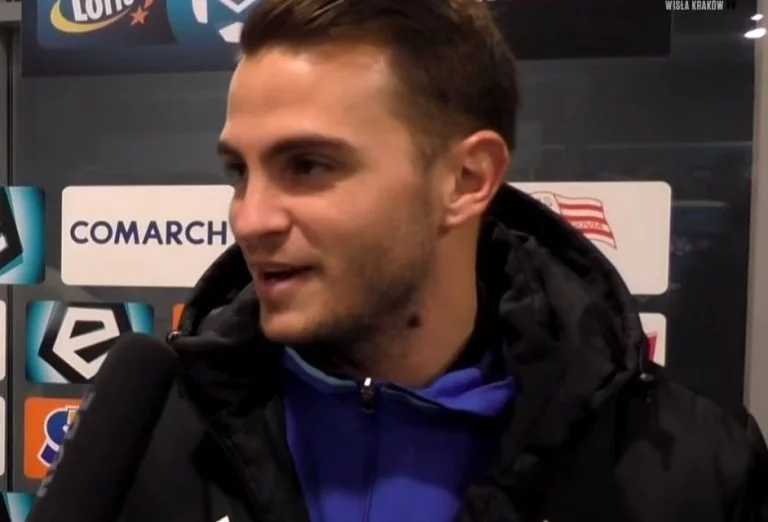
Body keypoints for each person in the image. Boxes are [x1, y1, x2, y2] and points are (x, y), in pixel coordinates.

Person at [119, 0, 768, 520]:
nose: (250, 219)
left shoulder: (687, 471)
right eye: (240, 172)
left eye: (309, 166)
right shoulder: (146, 441)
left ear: (466, 179)